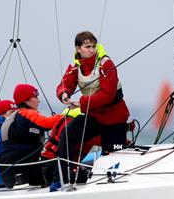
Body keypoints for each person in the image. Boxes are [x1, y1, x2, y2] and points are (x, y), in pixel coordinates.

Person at [56, 31, 130, 182]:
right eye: (87, 46)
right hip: (94, 116)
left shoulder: (106, 63)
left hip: (114, 117)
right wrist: (64, 94)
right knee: (67, 134)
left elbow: (107, 95)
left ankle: (116, 183)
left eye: (93, 46)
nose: (91, 49)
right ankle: (62, 178)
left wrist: (81, 103)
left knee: (114, 156)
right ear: (78, 49)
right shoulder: (75, 66)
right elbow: (65, 83)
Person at [0, 83, 63, 188]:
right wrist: (66, 115)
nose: (38, 100)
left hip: (10, 169)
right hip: (24, 169)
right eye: (35, 97)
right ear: (26, 100)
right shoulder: (26, 113)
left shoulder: (13, 117)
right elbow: (46, 123)